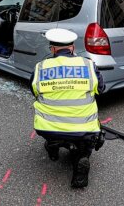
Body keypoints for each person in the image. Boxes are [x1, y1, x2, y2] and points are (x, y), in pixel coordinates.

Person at [30, 28, 106, 188]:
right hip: (84, 128)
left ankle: (53, 145)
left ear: (52, 49)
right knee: (86, 144)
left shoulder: (40, 67)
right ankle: (80, 164)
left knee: (52, 131)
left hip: (47, 127)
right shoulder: (88, 65)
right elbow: (101, 89)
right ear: (72, 47)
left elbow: (34, 92)